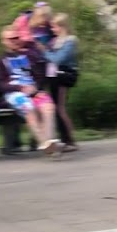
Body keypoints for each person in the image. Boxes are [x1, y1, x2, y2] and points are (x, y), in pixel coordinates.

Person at [0, 28, 62, 156]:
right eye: (10, 39)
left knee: (48, 106)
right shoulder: (1, 60)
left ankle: (50, 141)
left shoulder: (29, 56)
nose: (14, 41)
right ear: (4, 41)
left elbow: (40, 75)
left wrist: (36, 87)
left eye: (16, 38)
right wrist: (19, 88)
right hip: (15, 93)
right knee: (29, 109)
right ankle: (44, 142)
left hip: (33, 91)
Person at [41, 13, 79, 152]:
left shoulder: (69, 41)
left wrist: (44, 52)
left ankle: (70, 140)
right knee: (56, 108)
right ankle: (64, 138)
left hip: (64, 76)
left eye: (54, 27)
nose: (52, 29)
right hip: (54, 76)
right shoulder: (55, 41)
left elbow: (58, 59)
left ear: (62, 26)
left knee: (60, 108)